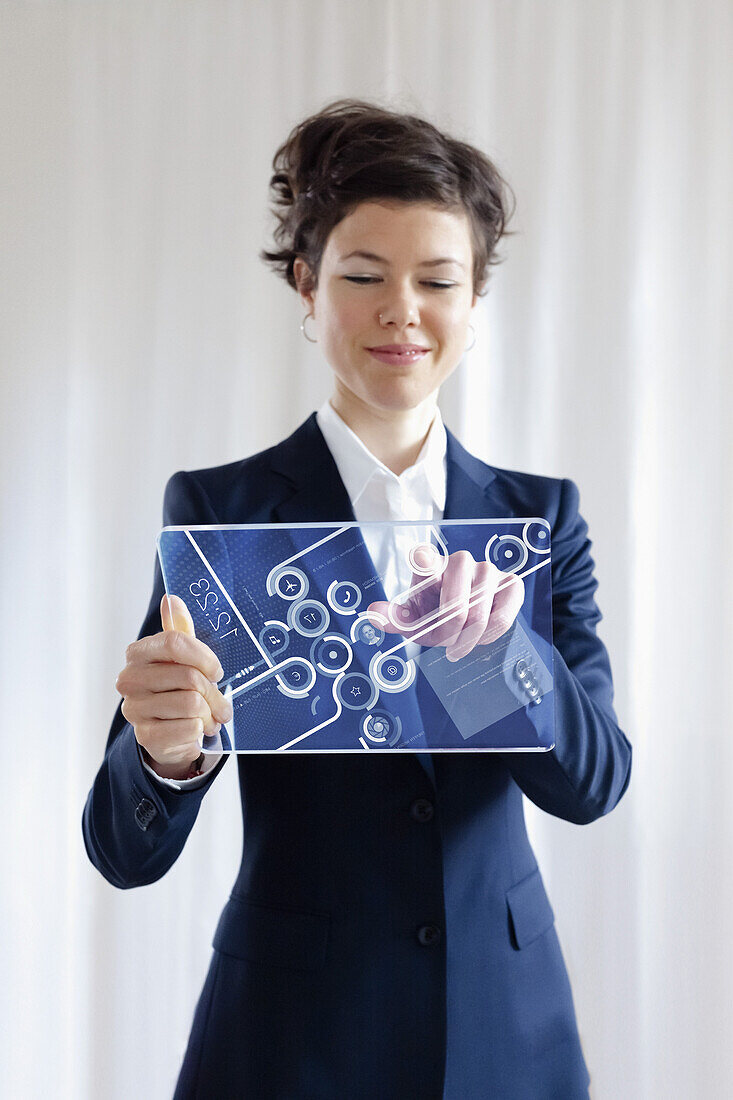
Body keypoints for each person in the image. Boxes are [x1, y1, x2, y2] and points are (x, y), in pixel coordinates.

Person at [82, 98, 632, 1099]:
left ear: (473, 304)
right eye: (364, 276)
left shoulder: (537, 521)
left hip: (502, 1025)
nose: (401, 311)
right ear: (306, 285)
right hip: (293, 1035)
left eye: (437, 280)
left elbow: (592, 783)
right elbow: (122, 848)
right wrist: (166, 752)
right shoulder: (219, 512)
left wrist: (499, 659)